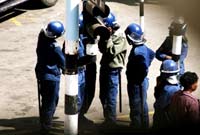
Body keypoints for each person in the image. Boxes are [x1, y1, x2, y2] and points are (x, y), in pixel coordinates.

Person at [35, 21, 65, 133]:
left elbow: (42, 32)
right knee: (51, 103)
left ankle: (44, 122)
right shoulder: (55, 47)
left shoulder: (41, 40)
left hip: (41, 74)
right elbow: (63, 62)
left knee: (45, 100)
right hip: (52, 77)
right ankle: (46, 127)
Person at [98, 12, 127, 126]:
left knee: (110, 98)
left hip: (113, 71)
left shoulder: (120, 36)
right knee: (103, 96)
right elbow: (101, 49)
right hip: (105, 67)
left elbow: (111, 52)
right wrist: (104, 37)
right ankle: (107, 119)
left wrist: (108, 37)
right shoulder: (107, 34)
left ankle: (111, 122)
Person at [124, 23, 155, 129]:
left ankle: (136, 127)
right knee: (143, 105)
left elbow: (143, 67)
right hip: (142, 81)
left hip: (136, 83)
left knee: (136, 108)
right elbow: (152, 54)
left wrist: (138, 75)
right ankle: (144, 125)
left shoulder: (137, 52)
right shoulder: (143, 47)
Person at [77, 12, 97, 126]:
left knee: (90, 92)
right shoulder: (75, 40)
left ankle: (81, 114)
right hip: (81, 70)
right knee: (80, 96)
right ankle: (77, 118)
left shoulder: (90, 30)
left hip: (90, 66)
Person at [153, 59, 181, 129]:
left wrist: (157, 87)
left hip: (163, 119)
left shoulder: (166, 89)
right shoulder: (178, 86)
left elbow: (159, 105)